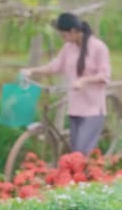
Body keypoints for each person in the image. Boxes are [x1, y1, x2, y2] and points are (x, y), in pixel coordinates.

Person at [21, 12, 111, 156]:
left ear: (74, 31)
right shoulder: (68, 48)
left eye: (64, 35)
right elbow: (54, 67)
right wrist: (32, 71)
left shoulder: (98, 48)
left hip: (93, 109)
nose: (63, 39)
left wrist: (84, 80)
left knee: (80, 152)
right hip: (75, 108)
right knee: (76, 152)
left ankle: (87, 176)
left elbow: (105, 76)